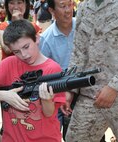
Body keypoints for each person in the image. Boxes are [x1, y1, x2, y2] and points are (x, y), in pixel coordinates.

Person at [65, 0, 118, 141]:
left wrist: (115, 86)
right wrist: (70, 88)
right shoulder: (84, 7)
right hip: (91, 94)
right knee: (75, 138)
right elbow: (79, 51)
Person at [0, 19, 65, 142]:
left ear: (37, 38)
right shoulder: (8, 63)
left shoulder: (53, 69)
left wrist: (46, 99)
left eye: (26, 47)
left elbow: (49, 113)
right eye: (16, 51)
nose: (24, 55)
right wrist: (6, 96)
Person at [39, 0, 75, 139]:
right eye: (62, 6)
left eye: (70, 4)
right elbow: (44, 72)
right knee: (52, 134)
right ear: (52, 11)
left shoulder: (83, 27)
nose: (68, 10)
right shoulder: (46, 39)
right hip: (58, 94)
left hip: (86, 89)